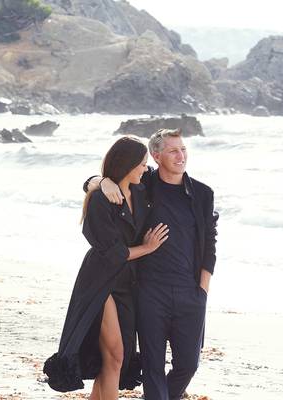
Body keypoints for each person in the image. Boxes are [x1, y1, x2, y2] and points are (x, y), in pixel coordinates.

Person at [85, 128, 218, 400]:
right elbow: (107, 177)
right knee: (152, 365)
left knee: (188, 365)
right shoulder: (143, 184)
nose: (181, 156)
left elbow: (210, 243)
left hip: (190, 291)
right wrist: (102, 181)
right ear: (156, 156)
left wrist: (203, 289)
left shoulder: (202, 193)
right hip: (149, 291)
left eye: (183, 149)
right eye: (173, 151)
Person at [44, 136, 169, 400]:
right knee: (115, 354)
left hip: (129, 283)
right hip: (100, 281)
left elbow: (168, 181)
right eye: (142, 164)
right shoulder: (101, 200)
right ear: (127, 164)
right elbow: (113, 254)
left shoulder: (140, 189)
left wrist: (100, 179)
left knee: (112, 359)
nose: (145, 168)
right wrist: (147, 248)